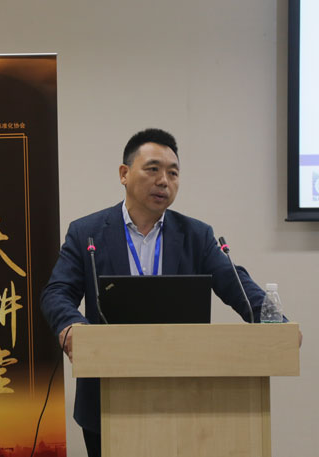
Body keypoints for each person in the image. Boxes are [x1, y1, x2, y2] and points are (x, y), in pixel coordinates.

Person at [40, 128, 284, 457]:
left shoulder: (196, 235)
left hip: (185, 394)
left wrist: (275, 322)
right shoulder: (87, 232)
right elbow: (57, 291)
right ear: (124, 174)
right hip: (105, 396)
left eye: (173, 173)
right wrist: (71, 325)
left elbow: (234, 282)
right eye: (153, 169)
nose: (164, 181)